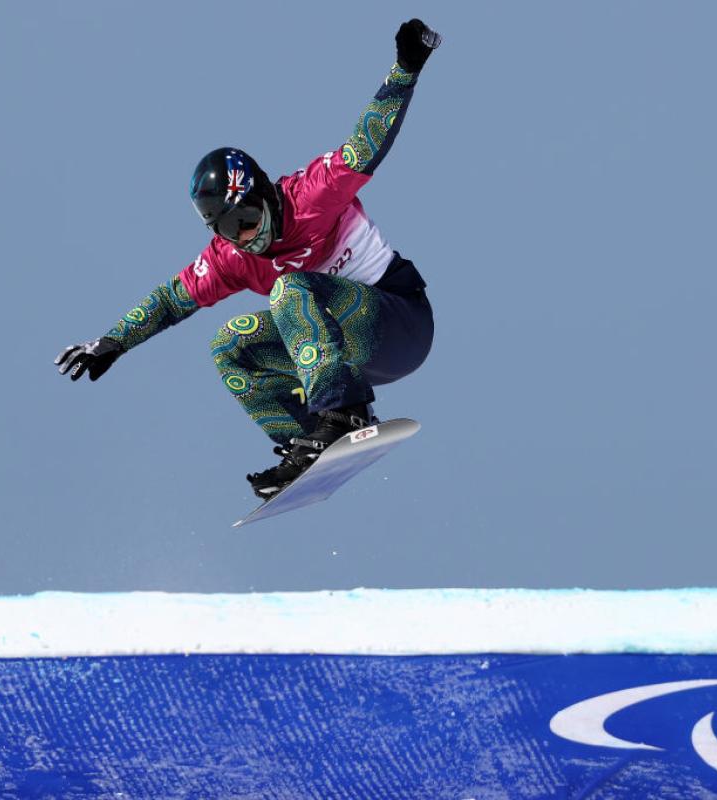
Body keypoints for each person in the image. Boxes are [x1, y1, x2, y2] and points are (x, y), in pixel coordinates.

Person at [56, 19, 440, 500]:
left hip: (400, 323)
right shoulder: (232, 257)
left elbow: (366, 145)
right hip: (346, 358)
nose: (245, 237)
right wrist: (114, 341)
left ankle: (341, 417)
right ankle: (308, 445)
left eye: (247, 219)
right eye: (227, 230)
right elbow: (170, 300)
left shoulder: (312, 195)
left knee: (291, 287)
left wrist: (405, 69)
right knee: (230, 346)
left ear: (265, 196)